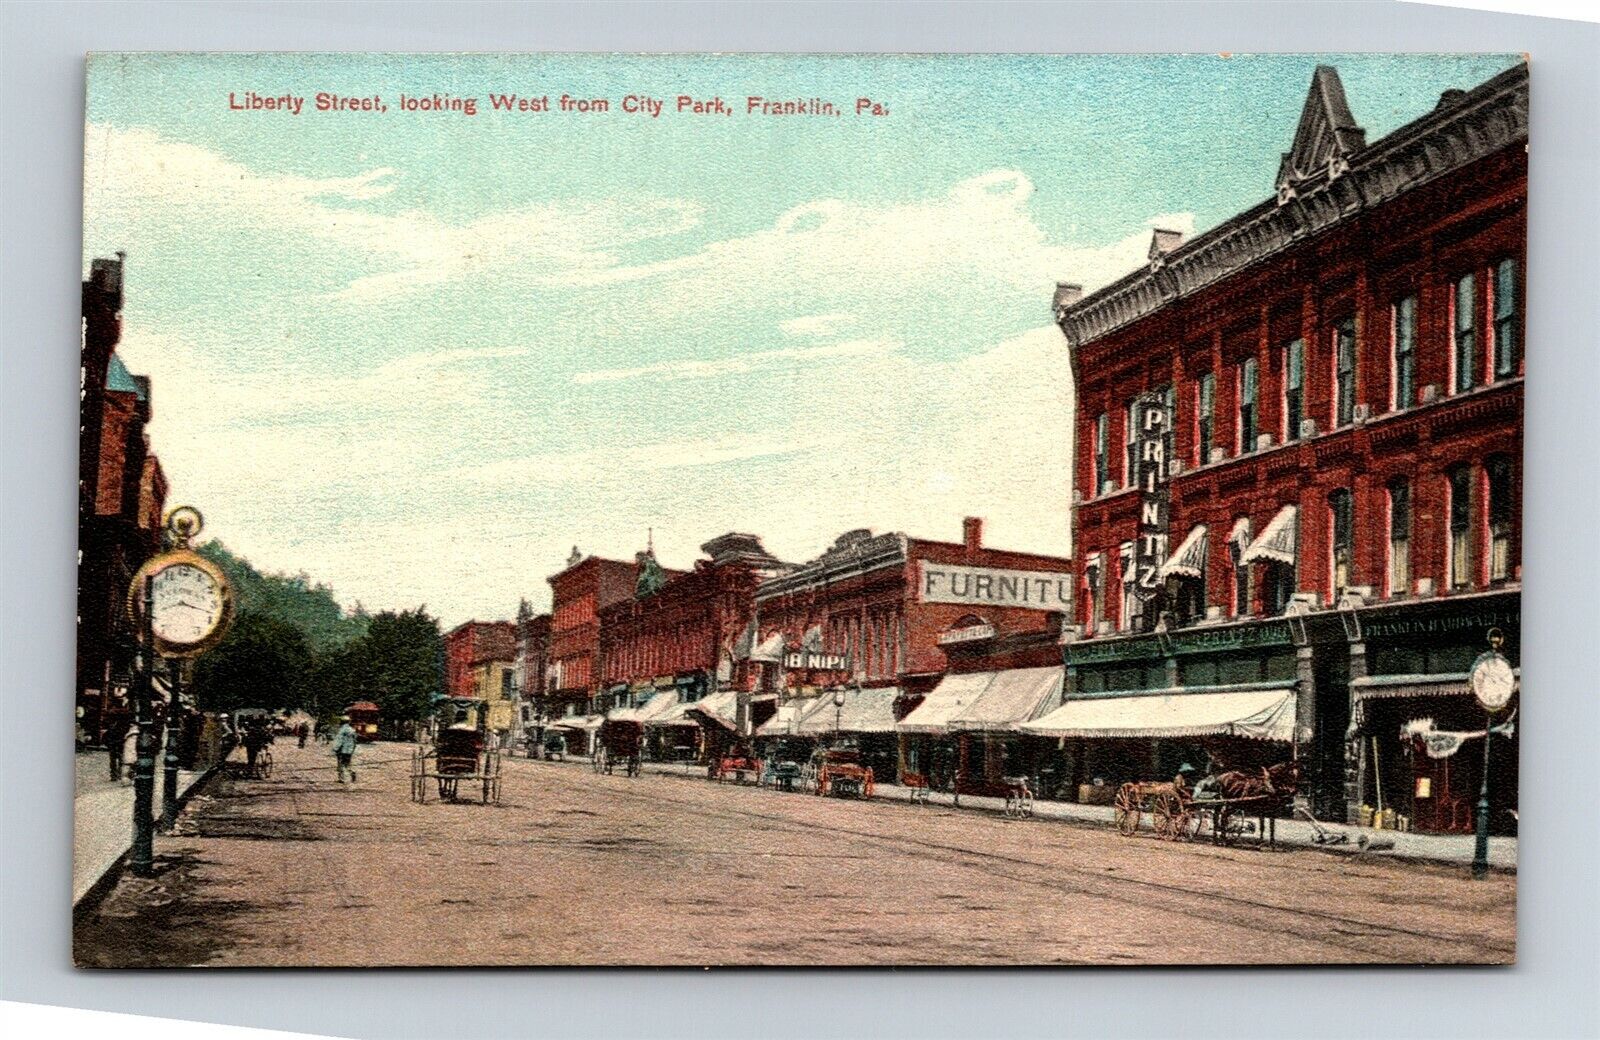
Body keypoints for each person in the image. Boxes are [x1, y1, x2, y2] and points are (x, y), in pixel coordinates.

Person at [333, 714, 358, 785]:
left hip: (342, 750)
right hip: (349, 751)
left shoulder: (342, 730)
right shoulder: (352, 730)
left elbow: (339, 741)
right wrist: (352, 749)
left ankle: (341, 778)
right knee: (347, 763)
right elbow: (355, 741)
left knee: (340, 764)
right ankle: (351, 771)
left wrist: (335, 749)